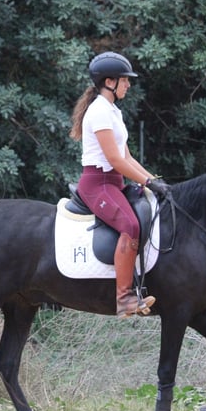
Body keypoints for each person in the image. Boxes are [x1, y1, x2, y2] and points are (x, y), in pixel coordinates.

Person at [69, 51, 171, 317]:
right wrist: (146, 180)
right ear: (109, 82)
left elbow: (127, 157)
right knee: (130, 224)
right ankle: (124, 297)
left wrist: (154, 182)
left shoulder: (113, 112)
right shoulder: (99, 112)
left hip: (113, 183)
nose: (128, 85)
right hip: (97, 184)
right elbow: (114, 159)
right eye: (125, 80)